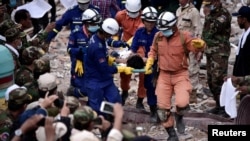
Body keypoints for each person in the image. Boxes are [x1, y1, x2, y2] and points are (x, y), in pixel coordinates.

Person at [144, 11, 205, 140]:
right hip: (164, 75)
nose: (164, 32)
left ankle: (179, 116)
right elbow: (153, 51)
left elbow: (197, 47)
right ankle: (171, 134)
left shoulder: (184, 36)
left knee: (183, 103)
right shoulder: (158, 36)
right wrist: (150, 60)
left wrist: (200, 45)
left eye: (166, 29)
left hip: (180, 74)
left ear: (174, 26)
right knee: (162, 109)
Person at [85, 18, 134, 114]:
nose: (110, 37)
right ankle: (100, 122)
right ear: (106, 33)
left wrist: (119, 46)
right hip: (95, 81)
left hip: (105, 79)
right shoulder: (96, 47)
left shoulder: (99, 38)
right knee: (97, 109)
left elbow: (109, 44)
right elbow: (104, 69)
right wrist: (119, 68)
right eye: (110, 35)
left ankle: (110, 117)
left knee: (116, 101)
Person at [201, 0, 231, 117]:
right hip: (210, 51)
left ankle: (225, 108)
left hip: (220, 52)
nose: (208, 6)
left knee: (219, 80)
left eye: (210, 3)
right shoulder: (211, 14)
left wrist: (208, 15)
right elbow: (205, 33)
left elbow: (213, 30)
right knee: (210, 80)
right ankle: (218, 105)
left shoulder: (223, 14)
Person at [129, 6, 158, 122]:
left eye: (152, 22)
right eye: (148, 22)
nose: (150, 24)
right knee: (146, 84)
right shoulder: (139, 32)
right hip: (146, 62)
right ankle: (145, 103)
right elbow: (133, 48)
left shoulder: (159, 34)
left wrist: (151, 59)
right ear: (143, 21)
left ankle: (154, 111)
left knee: (153, 86)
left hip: (159, 63)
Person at [115, 0, 146, 108]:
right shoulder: (120, 16)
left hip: (141, 46)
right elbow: (115, 28)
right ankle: (124, 91)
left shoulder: (144, 17)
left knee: (144, 73)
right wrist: (116, 41)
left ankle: (140, 99)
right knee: (124, 71)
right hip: (126, 46)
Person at [176, 0, 203, 104]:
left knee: (192, 69)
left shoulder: (194, 12)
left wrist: (198, 48)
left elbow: (198, 30)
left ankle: (192, 94)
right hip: (180, 45)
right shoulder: (178, 10)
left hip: (191, 44)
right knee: (181, 68)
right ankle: (182, 92)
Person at [229, 6, 250, 100]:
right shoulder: (244, 34)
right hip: (243, 78)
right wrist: (236, 77)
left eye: (238, 18)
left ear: (244, 19)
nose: (237, 20)